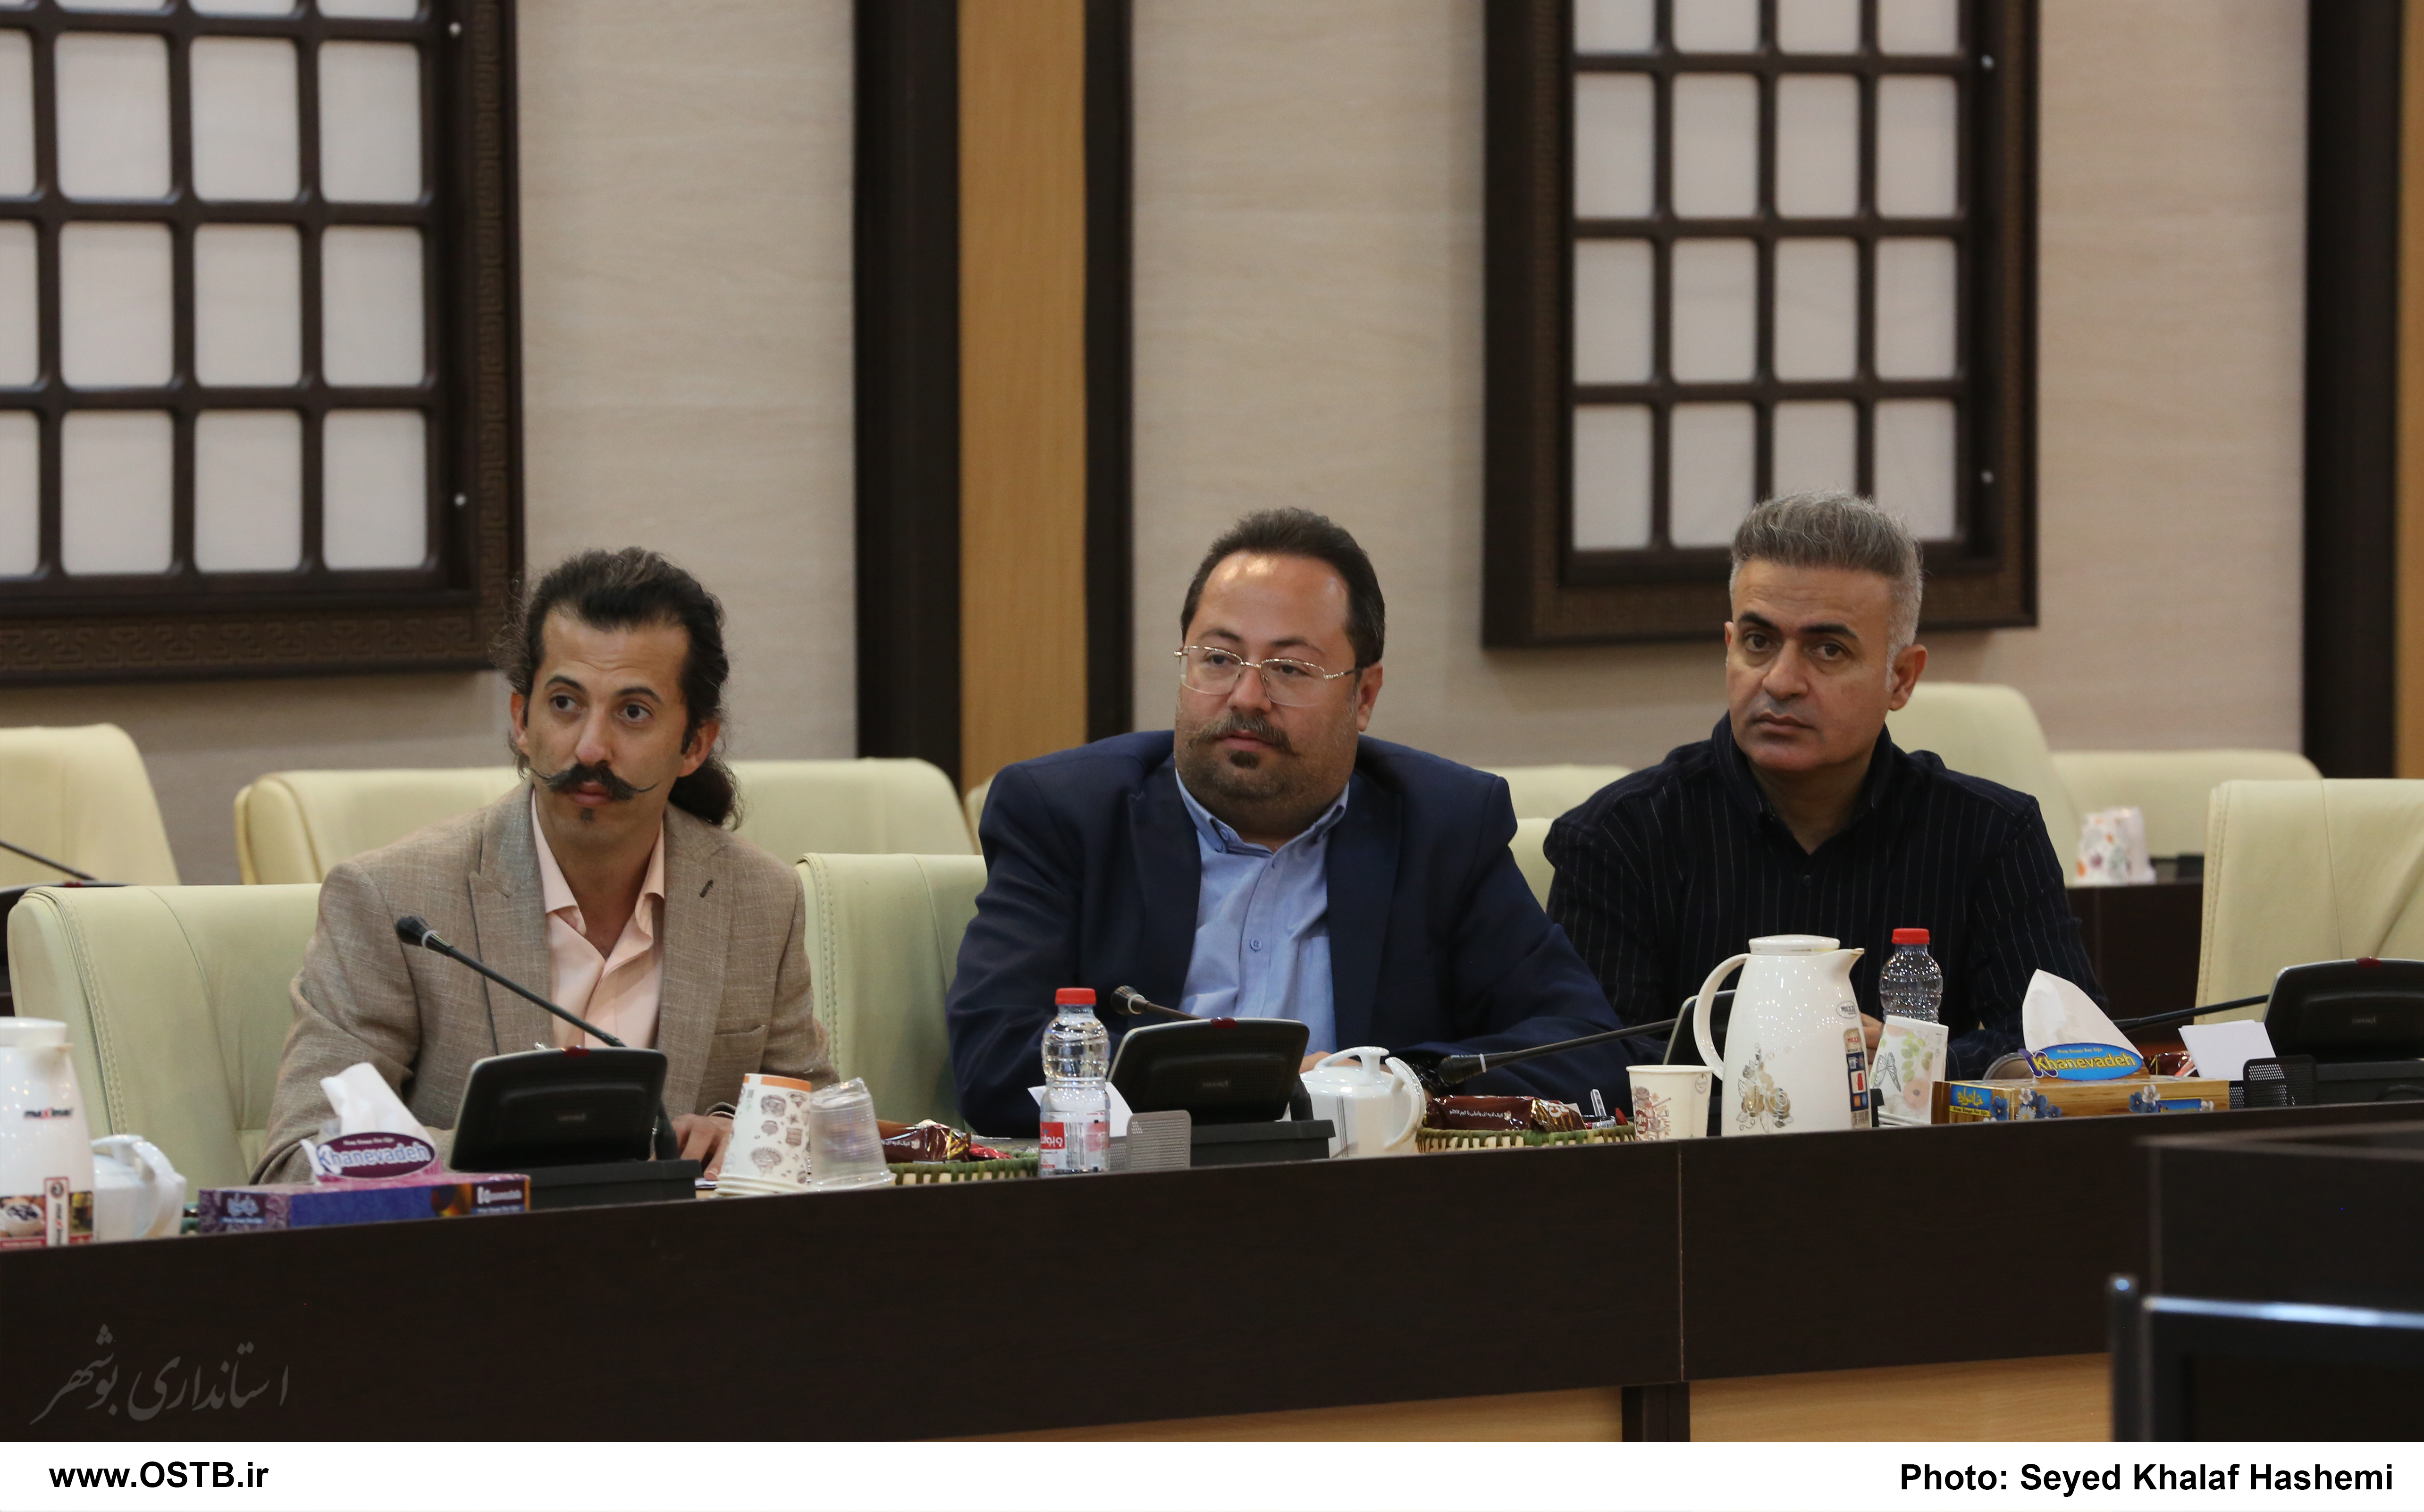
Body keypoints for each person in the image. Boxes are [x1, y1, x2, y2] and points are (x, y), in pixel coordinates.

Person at [947, 508, 1633, 1138]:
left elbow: (1584, 1051)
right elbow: (996, 1065)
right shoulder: (1066, 814)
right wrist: (1247, 1083)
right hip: (1140, 1195)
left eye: (1290, 669)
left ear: (1364, 697)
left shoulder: (1442, 824)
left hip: (1370, 1204)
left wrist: (1381, 1084)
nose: (1247, 697)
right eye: (1219, 659)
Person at [254, 548, 830, 1181]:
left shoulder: (760, 899)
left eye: (633, 713)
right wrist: (529, 1151)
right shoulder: (393, 902)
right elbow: (299, 1160)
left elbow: (826, 1133)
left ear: (695, 744)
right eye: (564, 704)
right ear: (521, 721)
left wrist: (739, 1133)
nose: (591, 747)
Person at [1544, 491, 2104, 1081]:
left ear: (1901, 678)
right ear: (1729, 648)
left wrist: (1906, 1059)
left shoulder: (1990, 835)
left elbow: (2072, 1055)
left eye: (1828, 650)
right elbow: (1590, 1069)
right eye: (1759, 643)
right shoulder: (1620, 837)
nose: (1781, 681)